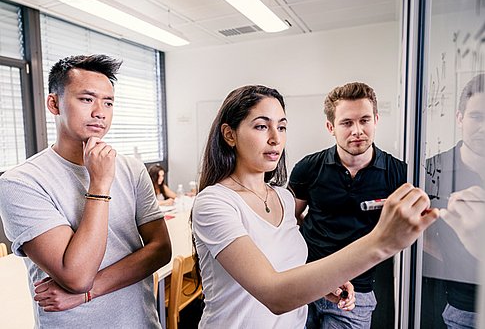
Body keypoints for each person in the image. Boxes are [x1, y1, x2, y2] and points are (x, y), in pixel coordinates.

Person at [191, 84, 438, 328]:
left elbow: (288, 265)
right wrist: (382, 242)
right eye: (262, 126)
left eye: (282, 127)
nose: (276, 138)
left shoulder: (283, 198)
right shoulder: (214, 203)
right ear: (229, 134)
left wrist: (325, 283)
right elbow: (274, 294)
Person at [0, 54, 171, 327]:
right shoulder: (21, 182)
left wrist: (88, 293)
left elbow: (160, 249)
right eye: (86, 99)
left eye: (108, 102)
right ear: (54, 104)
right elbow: (77, 276)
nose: (100, 112)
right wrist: (100, 184)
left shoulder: (132, 169)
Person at [288, 82, 407, 328]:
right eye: (347, 123)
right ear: (331, 127)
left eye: (364, 120)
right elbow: (290, 220)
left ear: (375, 120)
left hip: (357, 292)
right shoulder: (309, 168)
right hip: (306, 282)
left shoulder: (397, 173)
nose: (357, 131)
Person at [423, 74, 485, 328]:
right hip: (462, 306)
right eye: (476, 117)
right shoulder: (432, 171)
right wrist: (455, 259)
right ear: (459, 118)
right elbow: (419, 232)